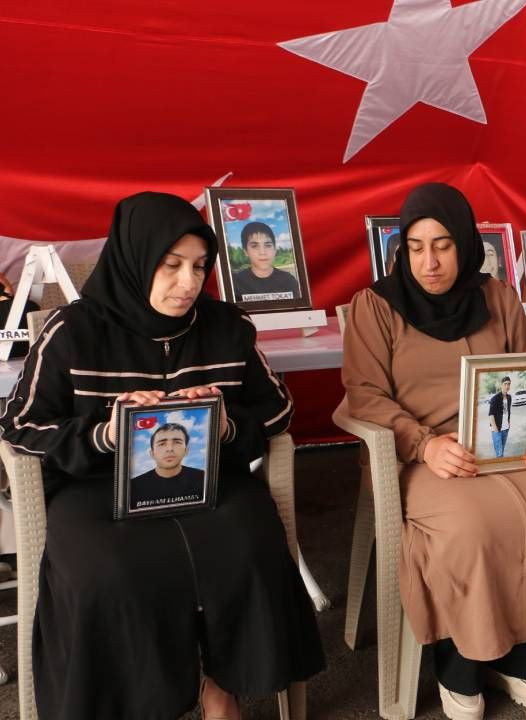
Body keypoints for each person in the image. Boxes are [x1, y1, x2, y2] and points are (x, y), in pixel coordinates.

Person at [0, 191, 323, 719]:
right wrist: (103, 432)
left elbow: (279, 409)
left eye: (199, 267)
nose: (188, 283)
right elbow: (19, 424)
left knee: (251, 542)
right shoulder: (72, 331)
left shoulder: (226, 327)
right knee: (109, 571)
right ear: (135, 260)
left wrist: (226, 424)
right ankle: (143, 700)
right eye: (171, 266)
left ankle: (221, 685)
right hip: (96, 488)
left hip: (206, 480)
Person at [342, 183, 526, 719]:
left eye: (443, 245)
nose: (429, 262)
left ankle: (524, 659)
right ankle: (461, 667)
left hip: (501, 445)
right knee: (470, 526)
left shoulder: (498, 297)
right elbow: (364, 396)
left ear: (467, 245)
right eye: (415, 246)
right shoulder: (375, 307)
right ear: (401, 250)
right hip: (420, 454)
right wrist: (424, 445)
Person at [130, 422, 205, 509]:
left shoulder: (204, 478)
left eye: (177, 442)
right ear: (152, 453)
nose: (169, 449)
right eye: (162, 444)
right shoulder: (133, 486)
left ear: (186, 450)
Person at [230, 220, 301, 302]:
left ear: (275, 249)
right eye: (254, 246)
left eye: (268, 245)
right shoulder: (235, 282)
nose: (262, 252)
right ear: (246, 251)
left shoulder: (289, 280)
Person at [488, 376, 513, 457]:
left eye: (509, 384)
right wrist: (495, 429)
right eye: (505, 384)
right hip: (497, 429)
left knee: (501, 450)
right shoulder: (495, 398)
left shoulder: (509, 397)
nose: (507, 386)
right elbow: (491, 414)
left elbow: (508, 411)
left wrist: (508, 423)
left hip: (505, 429)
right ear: (501, 385)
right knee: (499, 454)